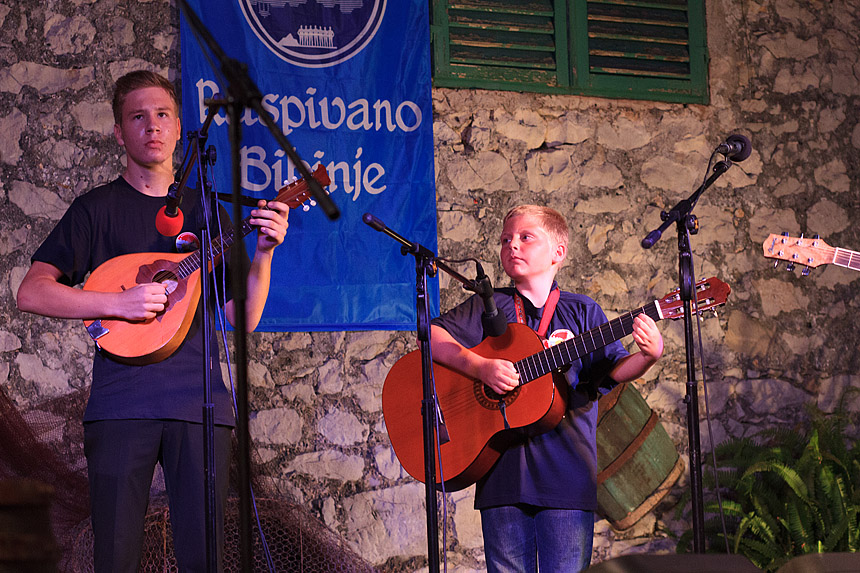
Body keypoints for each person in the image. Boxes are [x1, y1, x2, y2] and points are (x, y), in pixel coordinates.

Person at [16, 70, 290, 572]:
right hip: (121, 406)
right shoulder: (95, 210)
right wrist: (114, 304)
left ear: (179, 126)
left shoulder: (207, 211)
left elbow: (242, 319)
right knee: (116, 556)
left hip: (199, 405)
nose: (152, 126)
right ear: (119, 132)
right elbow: (31, 291)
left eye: (162, 114)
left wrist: (266, 252)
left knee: (204, 558)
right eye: (137, 116)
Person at [430, 205, 664, 572]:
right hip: (502, 476)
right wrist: (481, 367)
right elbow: (431, 335)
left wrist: (649, 356)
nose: (512, 246)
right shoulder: (490, 307)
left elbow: (612, 372)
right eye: (506, 239)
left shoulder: (583, 312)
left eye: (526, 237)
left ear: (558, 252)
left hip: (566, 476)